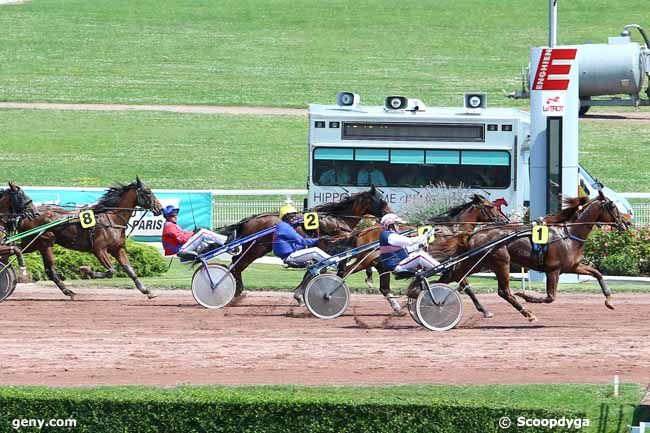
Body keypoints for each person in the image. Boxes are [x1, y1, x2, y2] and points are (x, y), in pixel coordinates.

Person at [161, 205, 227, 257]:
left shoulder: (171, 225)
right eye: (173, 216)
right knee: (203, 232)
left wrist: (194, 232)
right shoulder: (169, 226)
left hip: (181, 248)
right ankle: (226, 240)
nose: (176, 217)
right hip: (180, 250)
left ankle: (223, 245)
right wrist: (193, 233)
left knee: (204, 238)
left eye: (176, 215)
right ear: (167, 217)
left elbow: (184, 234)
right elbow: (182, 239)